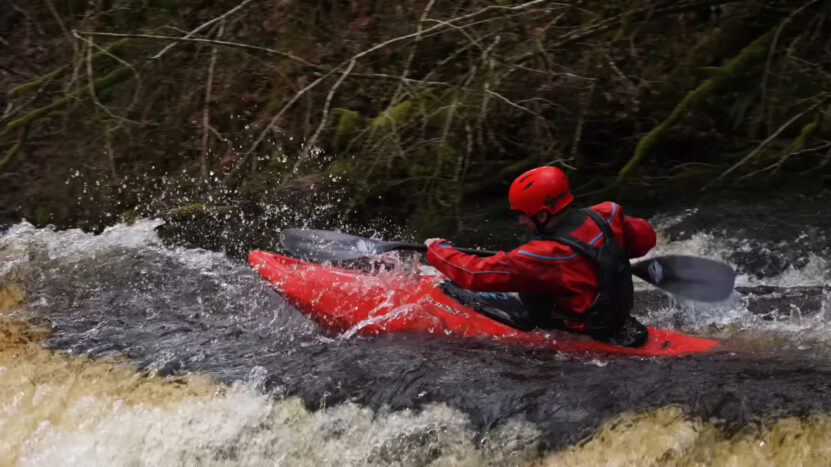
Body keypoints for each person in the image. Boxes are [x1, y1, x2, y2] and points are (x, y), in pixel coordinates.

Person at [425, 166, 656, 347]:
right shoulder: (606, 214)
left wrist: (436, 248)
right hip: (615, 313)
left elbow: (473, 274)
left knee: (522, 283)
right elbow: (647, 237)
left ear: (544, 214)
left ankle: (532, 319)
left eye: (523, 215)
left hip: (581, 326)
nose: (521, 221)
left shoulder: (545, 255)